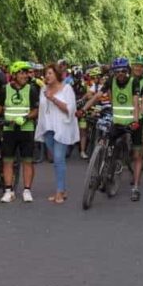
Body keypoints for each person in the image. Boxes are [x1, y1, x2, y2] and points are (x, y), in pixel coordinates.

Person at [80, 57, 143, 201]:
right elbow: (97, 96)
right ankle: (104, 171)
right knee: (106, 144)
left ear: (127, 71)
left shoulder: (134, 82)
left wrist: (135, 120)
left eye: (122, 71)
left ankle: (135, 188)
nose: (120, 74)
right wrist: (83, 109)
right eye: (117, 71)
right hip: (117, 121)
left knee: (137, 155)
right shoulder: (110, 81)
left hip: (133, 123)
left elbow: (135, 102)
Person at [0, 61, 40, 203]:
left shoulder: (31, 89)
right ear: (14, 75)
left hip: (26, 129)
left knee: (27, 161)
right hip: (9, 130)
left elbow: (36, 110)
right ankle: (8, 191)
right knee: (7, 160)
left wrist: (25, 118)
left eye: (26, 73)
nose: (25, 75)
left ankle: (27, 190)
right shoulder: (5, 89)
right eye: (22, 72)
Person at [35, 63, 79, 203]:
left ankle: (59, 192)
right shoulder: (43, 89)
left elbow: (70, 109)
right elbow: (42, 109)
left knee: (59, 159)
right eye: (46, 74)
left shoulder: (66, 89)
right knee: (57, 160)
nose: (47, 76)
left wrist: (53, 99)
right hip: (48, 128)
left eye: (50, 73)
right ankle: (63, 189)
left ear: (57, 74)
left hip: (62, 127)